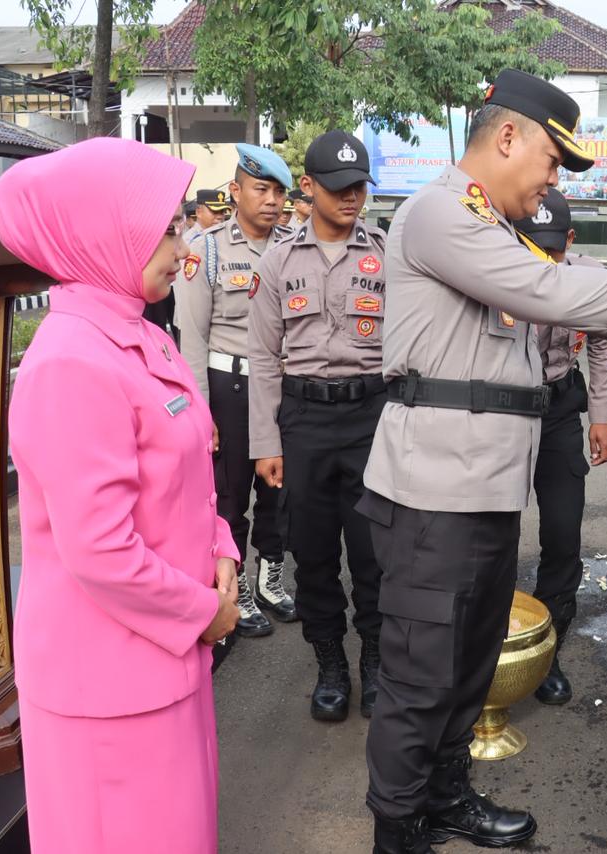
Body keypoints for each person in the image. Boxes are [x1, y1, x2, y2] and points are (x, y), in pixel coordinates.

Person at [354, 68, 607, 853]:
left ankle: (445, 796)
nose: (554, 179)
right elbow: (549, 290)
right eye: (552, 160)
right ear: (506, 137)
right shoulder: (439, 213)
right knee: (419, 681)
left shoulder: (492, 228)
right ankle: (397, 834)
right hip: (432, 497)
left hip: (485, 495)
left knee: (466, 669)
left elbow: (562, 282)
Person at [0, 138, 241, 853]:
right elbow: (99, 548)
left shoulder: (139, 333)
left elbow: (189, 466)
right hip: (108, 687)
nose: (183, 242)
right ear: (105, 231)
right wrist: (206, 612)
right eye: (166, 227)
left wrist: (220, 547)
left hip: (163, 661)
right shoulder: (71, 362)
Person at [248, 130, 387, 721]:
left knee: (375, 552)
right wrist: (265, 442)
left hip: (371, 417)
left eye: (359, 186)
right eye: (338, 187)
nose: (351, 197)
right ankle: (330, 663)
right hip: (303, 420)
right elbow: (261, 357)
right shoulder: (280, 259)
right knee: (314, 553)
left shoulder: (386, 254)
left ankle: (375, 662)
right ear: (308, 188)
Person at [177, 143, 294, 641]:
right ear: (236, 191)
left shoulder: (293, 245)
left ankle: (270, 577)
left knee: (280, 490)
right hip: (230, 384)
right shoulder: (206, 250)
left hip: (285, 384)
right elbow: (193, 338)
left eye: (278, 192)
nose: (271, 201)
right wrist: (203, 413)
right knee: (231, 495)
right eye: (261, 189)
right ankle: (236, 585)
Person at [510, 187, 607, 705]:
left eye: (551, 249)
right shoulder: (500, 267)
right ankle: (495, 644)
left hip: (557, 412)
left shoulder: (586, 275)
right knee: (496, 531)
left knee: (562, 530)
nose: (541, 259)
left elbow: (601, 344)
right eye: (531, 244)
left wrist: (601, 417)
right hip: (504, 411)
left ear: (570, 240)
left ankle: (549, 648)